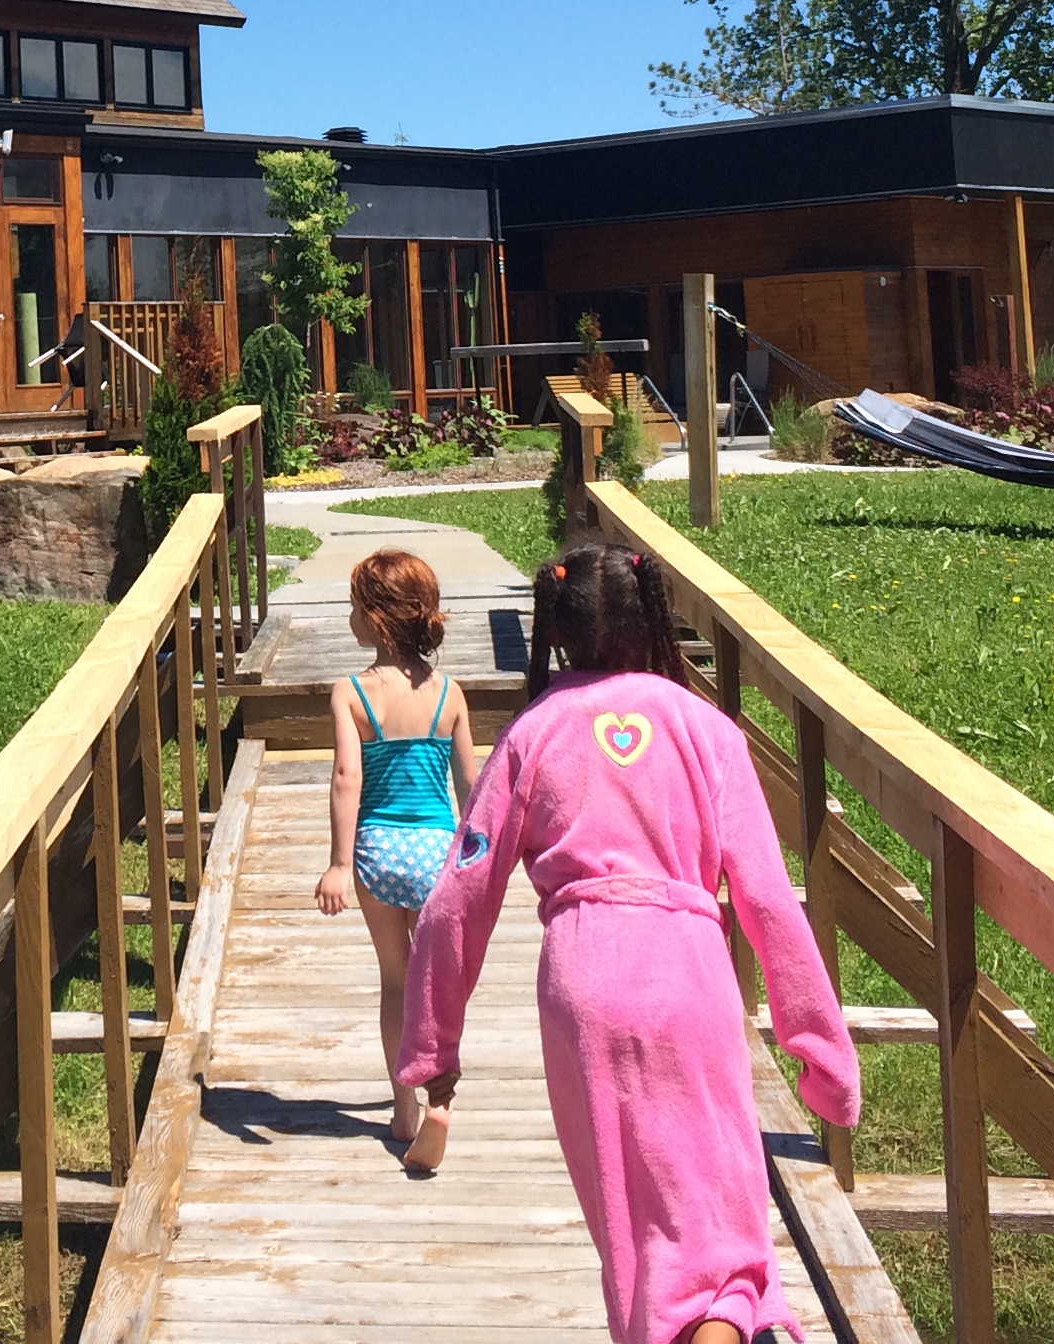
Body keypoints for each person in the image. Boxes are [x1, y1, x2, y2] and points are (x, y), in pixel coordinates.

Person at [398, 544, 860, 1344]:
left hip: (581, 987)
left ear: (558, 630)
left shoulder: (532, 735)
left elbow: (457, 899)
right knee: (720, 1239)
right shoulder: (707, 731)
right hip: (687, 972)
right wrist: (822, 1052)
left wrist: (433, 1048)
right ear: (653, 619)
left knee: (634, 1235)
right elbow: (767, 900)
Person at [311, 547, 480, 1169]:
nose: (350, 617)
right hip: (437, 851)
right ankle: (440, 1094)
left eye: (355, 607)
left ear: (375, 619)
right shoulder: (449, 692)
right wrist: (478, 854)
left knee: (396, 980)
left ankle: (404, 1109)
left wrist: (338, 863)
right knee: (435, 985)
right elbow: (470, 784)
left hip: (378, 851)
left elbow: (346, 779)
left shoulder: (352, 692)